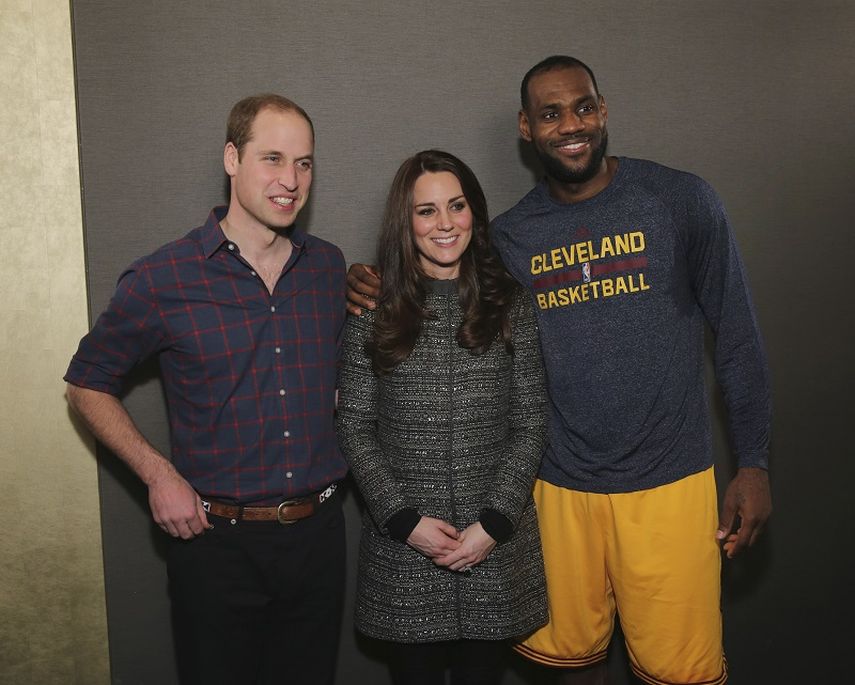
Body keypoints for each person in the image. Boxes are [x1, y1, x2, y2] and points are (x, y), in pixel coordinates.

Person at [345, 57, 772, 685]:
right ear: (526, 127)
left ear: (603, 110)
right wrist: (370, 282)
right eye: (550, 113)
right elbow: (441, 267)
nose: (570, 125)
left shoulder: (681, 201)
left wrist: (755, 461)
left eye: (583, 107)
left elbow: (738, 337)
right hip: (558, 491)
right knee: (563, 668)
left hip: (670, 483)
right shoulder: (512, 238)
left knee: (682, 672)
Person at [65, 94, 348, 685]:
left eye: (304, 163)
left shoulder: (327, 268)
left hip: (319, 539)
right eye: (272, 158)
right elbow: (86, 382)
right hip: (217, 547)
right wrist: (157, 473)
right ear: (231, 158)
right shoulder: (163, 278)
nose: (290, 180)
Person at [336, 149, 548, 685]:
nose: (445, 223)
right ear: (405, 223)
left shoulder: (511, 305)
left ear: (474, 212)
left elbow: (530, 422)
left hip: (494, 553)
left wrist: (493, 525)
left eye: (456, 206)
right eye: (426, 211)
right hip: (404, 557)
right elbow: (354, 427)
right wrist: (406, 524)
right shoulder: (372, 311)